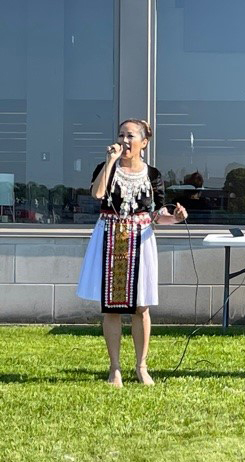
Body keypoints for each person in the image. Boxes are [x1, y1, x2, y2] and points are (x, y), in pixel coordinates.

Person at [76, 119, 188, 388]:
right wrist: (110, 162)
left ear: (143, 143)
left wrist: (177, 217)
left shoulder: (152, 175)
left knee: (141, 306)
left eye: (131, 136)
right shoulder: (107, 168)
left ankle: (141, 366)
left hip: (140, 240)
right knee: (111, 307)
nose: (124, 140)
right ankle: (115, 368)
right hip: (110, 237)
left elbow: (158, 213)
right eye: (121, 135)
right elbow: (98, 194)